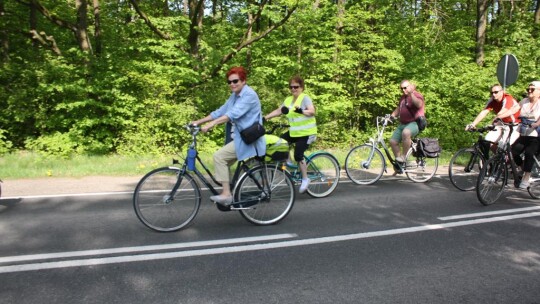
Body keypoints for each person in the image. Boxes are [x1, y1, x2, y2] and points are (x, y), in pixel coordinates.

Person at [191, 66, 266, 205]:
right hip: (238, 138)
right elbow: (220, 111)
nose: (232, 84)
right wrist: (198, 122)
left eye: (235, 81)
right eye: (230, 82)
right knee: (222, 165)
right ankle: (231, 189)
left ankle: (226, 194)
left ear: (244, 81)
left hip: (248, 139)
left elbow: (232, 114)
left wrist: (211, 125)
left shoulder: (249, 95)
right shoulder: (235, 95)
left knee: (219, 157)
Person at [264, 75, 317, 193]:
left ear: (301, 87)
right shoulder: (288, 100)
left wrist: (301, 111)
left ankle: (305, 179)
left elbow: (312, 112)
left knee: (298, 154)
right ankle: (288, 163)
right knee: (279, 142)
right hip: (294, 132)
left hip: (307, 133)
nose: (293, 89)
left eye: (296, 87)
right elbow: (279, 111)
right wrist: (265, 117)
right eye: (291, 87)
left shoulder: (305, 98)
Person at [465, 84, 521, 151]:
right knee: (487, 140)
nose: (493, 94)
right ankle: (495, 160)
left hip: (513, 125)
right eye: (492, 93)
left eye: (496, 92)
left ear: (502, 91)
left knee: (502, 145)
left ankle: (506, 160)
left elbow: (503, 111)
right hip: (501, 124)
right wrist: (473, 124)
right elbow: (484, 112)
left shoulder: (508, 98)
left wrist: (493, 122)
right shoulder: (492, 100)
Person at [511, 81, 540, 189]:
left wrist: (537, 123)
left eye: (532, 89)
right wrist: (498, 117)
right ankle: (524, 169)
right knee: (513, 152)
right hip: (525, 133)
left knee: (529, 152)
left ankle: (526, 177)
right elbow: (513, 110)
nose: (529, 91)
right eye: (528, 89)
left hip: (537, 134)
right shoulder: (524, 101)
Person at [389, 80, 425, 164]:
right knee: (393, 141)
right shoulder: (403, 98)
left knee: (406, 133)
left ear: (410, 86)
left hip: (414, 123)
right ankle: (400, 163)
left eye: (405, 88)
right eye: (401, 89)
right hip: (403, 124)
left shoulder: (417, 95)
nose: (403, 90)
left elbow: (419, 104)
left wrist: (411, 93)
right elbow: (398, 109)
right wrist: (391, 117)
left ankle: (404, 157)